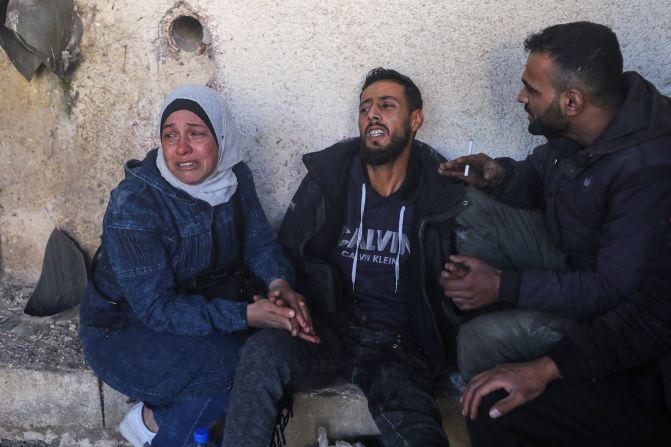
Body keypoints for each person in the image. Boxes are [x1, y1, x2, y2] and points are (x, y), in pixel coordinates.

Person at [221, 68, 469, 447]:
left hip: (400, 347)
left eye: (387, 106)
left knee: (420, 436)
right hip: (329, 330)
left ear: (415, 119)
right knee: (261, 354)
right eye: (365, 107)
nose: (372, 114)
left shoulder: (441, 190)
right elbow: (286, 253)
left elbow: (463, 278)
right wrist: (282, 292)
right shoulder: (331, 177)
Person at [79, 84, 316, 447]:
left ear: (220, 137)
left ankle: (158, 419)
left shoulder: (235, 178)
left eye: (196, 134)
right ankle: (162, 428)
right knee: (230, 367)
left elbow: (258, 242)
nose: (181, 148)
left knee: (269, 351)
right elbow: (157, 309)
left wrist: (279, 283)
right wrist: (245, 316)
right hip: (124, 330)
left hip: (196, 307)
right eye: (170, 135)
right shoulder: (134, 205)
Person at [438, 21, 671, 379]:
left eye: (531, 90)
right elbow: (540, 174)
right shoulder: (584, 126)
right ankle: (484, 298)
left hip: (610, 316)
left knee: (478, 341)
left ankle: (521, 391)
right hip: (567, 262)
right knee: (474, 201)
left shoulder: (647, 168)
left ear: (572, 101)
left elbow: (611, 289)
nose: (520, 97)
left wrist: (503, 284)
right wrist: (500, 176)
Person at [461, 230, 671, 446]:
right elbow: (650, 317)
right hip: (654, 393)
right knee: (493, 408)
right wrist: (546, 368)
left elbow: (608, 289)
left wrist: (504, 285)